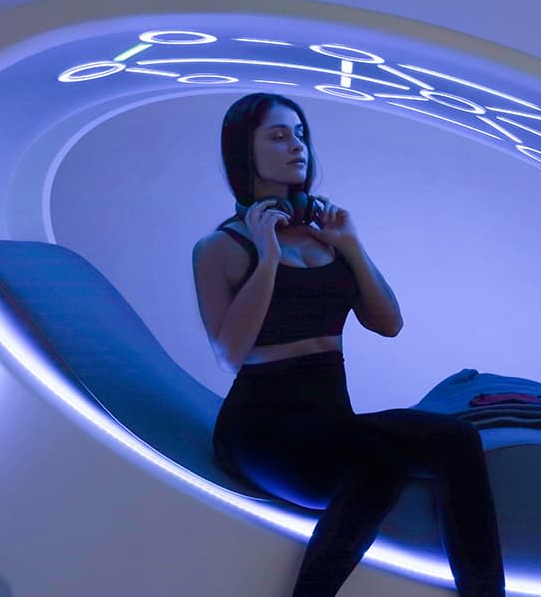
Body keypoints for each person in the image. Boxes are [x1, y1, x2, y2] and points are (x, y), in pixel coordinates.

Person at [192, 92, 505, 596]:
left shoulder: (326, 238)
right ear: (244, 150)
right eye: (278, 136)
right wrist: (267, 259)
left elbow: (388, 323)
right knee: (378, 465)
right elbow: (230, 355)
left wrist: (352, 245)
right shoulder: (219, 248)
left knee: (456, 438)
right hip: (261, 432)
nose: (297, 146)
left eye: (300, 134)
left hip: (332, 420)